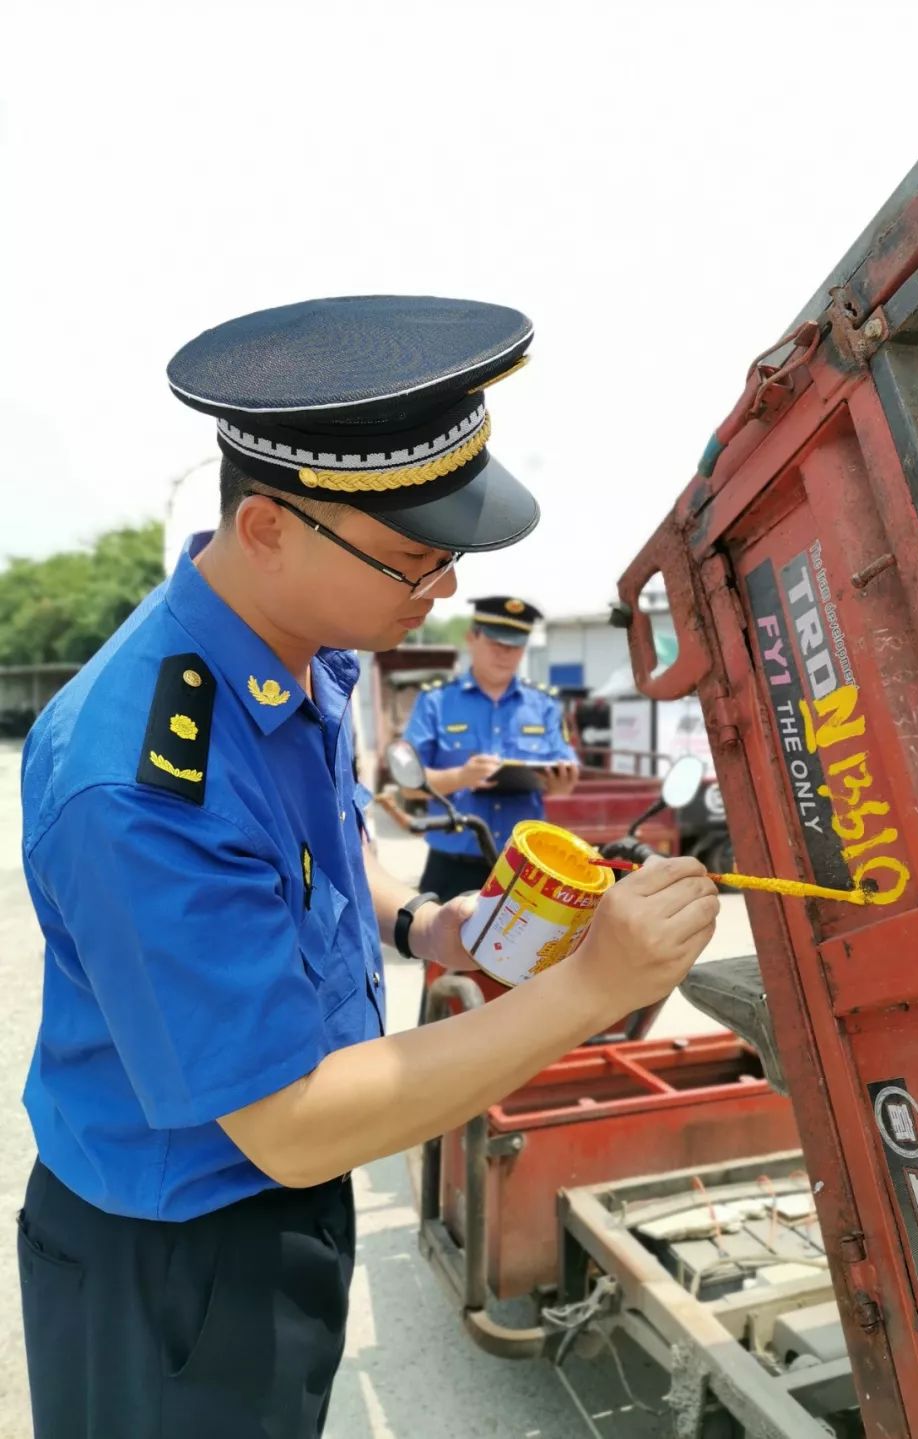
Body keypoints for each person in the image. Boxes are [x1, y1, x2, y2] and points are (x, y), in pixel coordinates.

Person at [17, 294, 720, 1439]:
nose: (441, 589)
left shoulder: (303, 654)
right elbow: (286, 1120)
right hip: (175, 1253)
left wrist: (416, 927)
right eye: (413, 557)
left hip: (283, 1196)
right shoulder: (145, 775)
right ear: (268, 529)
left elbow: (323, 857)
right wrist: (588, 988)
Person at [403, 596, 580, 902]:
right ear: (472, 637)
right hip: (452, 868)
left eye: (514, 645)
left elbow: (565, 777)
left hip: (525, 868)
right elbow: (409, 787)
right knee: (441, 949)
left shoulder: (544, 705)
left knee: (524, 951)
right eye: (496, 642)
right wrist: (461, 777)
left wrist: (561, 785)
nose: (504, 653)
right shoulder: (435, 702)